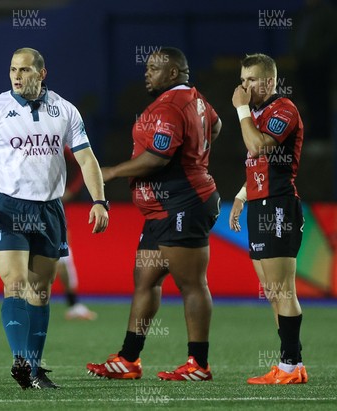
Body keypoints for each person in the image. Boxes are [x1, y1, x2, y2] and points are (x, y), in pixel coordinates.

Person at [0, 47, 109, 389]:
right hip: (7, 209)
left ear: (41, 74)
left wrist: (99, 201)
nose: (16, 75)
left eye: (24, 70)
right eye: (12, 69)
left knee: (41, 291)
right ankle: (20, 360)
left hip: (49, 210)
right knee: (14, 283)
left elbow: (87, 160)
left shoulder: (65, 110)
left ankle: (35, 369)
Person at [86, 47, 221, 381]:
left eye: (153, 68)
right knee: (146, 279)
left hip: (184, 204)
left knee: (191, 284)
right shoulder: (195, 99)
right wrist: (197, 155)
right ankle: (129, 359)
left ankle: (199, 365)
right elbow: (215, 127)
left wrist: (112, 171)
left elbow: (157, 159)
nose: (146, 73)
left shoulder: (173, 105)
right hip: (162, 209)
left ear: (173, 73)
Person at [229, 53, 307, 384]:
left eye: (250, 80)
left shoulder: (283, 110)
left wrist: (240, 109)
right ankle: (289, 365)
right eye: (242, 79)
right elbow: (258, 165)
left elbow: (258, 147)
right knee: (272, 290)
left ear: (269, 82)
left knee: (281, 288)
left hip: (279, 205)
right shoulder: (259, 113)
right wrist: (241, 196)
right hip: (260, 204)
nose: (243, 86)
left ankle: (292, 365)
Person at [59, 147, 97, 321]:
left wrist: (71, 190)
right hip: (24, 207)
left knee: (64, 257)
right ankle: (21, 304)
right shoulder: (20, 137)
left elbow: (83, 163)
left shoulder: (56, 139)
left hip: (52, 208)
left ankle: (73, 305)